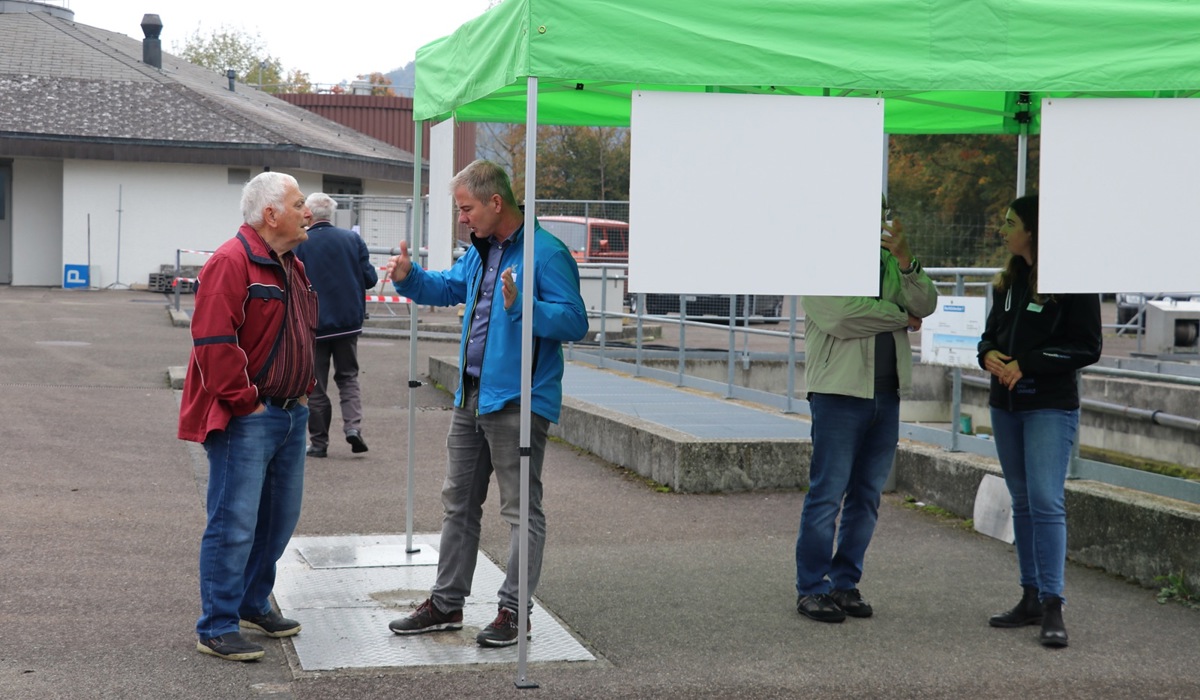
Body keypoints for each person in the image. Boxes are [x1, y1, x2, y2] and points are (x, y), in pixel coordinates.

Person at [384, 159, 588, 647]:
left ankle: (514, 612)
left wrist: (524, 307)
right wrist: (410, 278)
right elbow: (449, 287)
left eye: (467, 208)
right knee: (458, 503)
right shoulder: (482, 252)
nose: (462, 218)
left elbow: (576, 323)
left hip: (519, 398)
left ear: (496, 203)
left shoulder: (547, 255)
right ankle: (446, 604)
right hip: (471, 394)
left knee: (521, 511)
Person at [178, 171, 318, 662]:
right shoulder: (231, 262)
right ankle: (216, 625)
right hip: (250, 418)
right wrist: (246, 402)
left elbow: (300, 331)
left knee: (278, 521)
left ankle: (252, 603)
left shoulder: (290, 263)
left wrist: (301, 396)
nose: (309, 213)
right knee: (233, 524)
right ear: (270, 214)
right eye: (299, 204)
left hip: (289, 414)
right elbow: (213, 344)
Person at [795, 197, 938, 623]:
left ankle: (845, 583)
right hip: (838, 393)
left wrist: (907, 260)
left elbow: (926, 304)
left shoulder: (890, 261)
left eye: (883, 214)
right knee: (827, 495)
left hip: (886, 393)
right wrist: (899, 316)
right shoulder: (818, 260)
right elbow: (840, 315)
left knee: (868, 497)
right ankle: (811, 588)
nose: (880, 222)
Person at [977, 194, 1101, 648]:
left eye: (1009, 222)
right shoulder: (1007, 281)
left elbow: (1087, 346)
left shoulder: (1074, 279)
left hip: (1049, 405)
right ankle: (1029, 596)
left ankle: (1053, 605)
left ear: (1033, 229)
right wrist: (988, 354)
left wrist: (1026, 364)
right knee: (1023, 501)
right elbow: (990, 334)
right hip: (1005, 406)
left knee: (1047, 501)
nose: (1002, 229)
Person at [294, 193, 378, 458]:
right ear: (331, 213)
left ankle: (319, 443)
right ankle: (353, 428)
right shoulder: (352, 240)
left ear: (308, 213)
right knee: (348, 377)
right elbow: (370, 278)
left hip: (313, 325)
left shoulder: (300, 244)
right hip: (347, 323)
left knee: (315, 385)